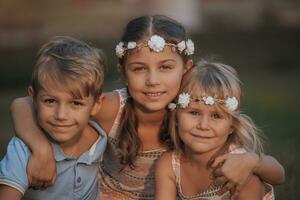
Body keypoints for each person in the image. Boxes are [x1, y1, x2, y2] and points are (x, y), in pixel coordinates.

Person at [10, 15, 284, 200]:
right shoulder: (114, 107)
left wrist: (251, 160)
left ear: (186, 69)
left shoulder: (194, 114)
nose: (153, 81)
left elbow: (260, 163)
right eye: (139, 68)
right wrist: (41, 148)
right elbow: (23, 103)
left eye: (165, 68)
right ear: (123, 70)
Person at [0, 36, 107, 200]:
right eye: (50, 101)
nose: (61, 115)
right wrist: (41, 149)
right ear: (33, 98)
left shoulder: (102, 140)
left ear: (96, 105)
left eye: (76, 103)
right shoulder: (23, 149)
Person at [155, 60, 276, 200]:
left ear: (232, 126)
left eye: (216, 116)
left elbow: (280, 175)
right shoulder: (169, 164)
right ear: (175, 117)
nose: (203, 125)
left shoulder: (240, 168)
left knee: (250, 178)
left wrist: (253, 161)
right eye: (194, 113)